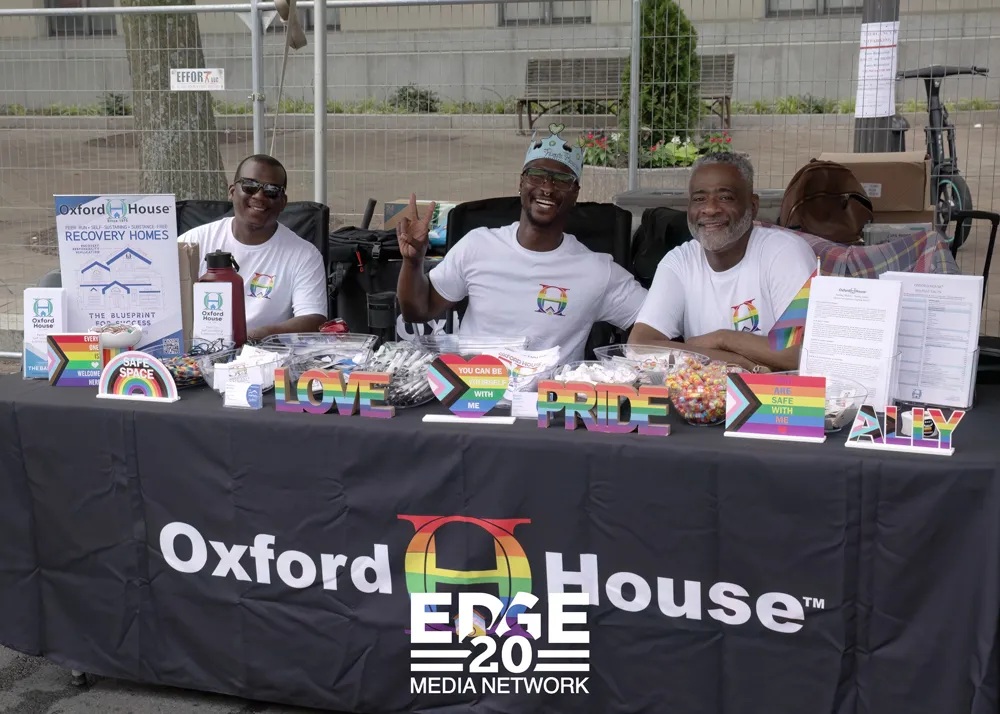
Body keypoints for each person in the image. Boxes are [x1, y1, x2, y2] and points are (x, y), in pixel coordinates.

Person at [396, 124, 647, 362]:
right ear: (521, 184)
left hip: (552, 392)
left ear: (575, 194)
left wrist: (627, 366)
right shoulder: (477, 246)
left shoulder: (597, 271)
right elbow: (417, 311)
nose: (547, 188)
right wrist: (413, 261)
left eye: (561, 180)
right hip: (475, 388)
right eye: (536, 176)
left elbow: (653, 325)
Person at [630, 152, 816, 371]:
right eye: (699, 199)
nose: (710, 209)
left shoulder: (785, 253)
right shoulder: (679, 261)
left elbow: (801, 352)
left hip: (778, 393)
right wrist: (740, 362)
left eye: (725, 197)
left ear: (753, 206)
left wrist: (722, 339)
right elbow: (639, 347)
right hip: (706, 391)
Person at [178, 154, 328, 340]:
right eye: (250, 185)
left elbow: (313, 319)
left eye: (272, 190)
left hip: (267, 351)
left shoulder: (305, 254)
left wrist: (253, 337)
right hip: (200, 347)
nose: (259, 196)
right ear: (232, 191)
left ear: (283, 202)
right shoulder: (193, 242)